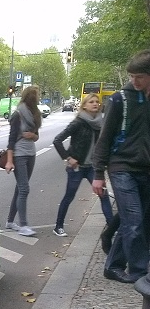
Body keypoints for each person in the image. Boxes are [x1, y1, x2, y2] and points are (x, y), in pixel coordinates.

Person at [92, 49, 150, 283]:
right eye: (131, 76)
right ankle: (140, 274)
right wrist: (98, 174)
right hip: (121, 167)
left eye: (140, 77)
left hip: (145, 169)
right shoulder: (119, 100)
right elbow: (104, 138)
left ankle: (113, 266)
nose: (134, 81)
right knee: (134, 220)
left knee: (138, 221)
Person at [51, 93, 114, 237]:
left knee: (103, 195)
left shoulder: (101, 122)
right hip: (77, 167)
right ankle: (58, 226)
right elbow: (57, 140)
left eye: (97, 101)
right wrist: (68, 158)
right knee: (69, 196)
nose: (95, 104)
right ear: (84, 105)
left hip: (93, 167)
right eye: (91, 102)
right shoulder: (78, 122)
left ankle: (111, 228)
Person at [4, 85, 42, 236]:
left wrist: (33, 136)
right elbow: (11, 140)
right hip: (19, 154)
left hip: (31, 153)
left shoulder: (35, 114)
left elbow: (37, 136)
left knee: (20, 189)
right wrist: (9, 160)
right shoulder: (18, 114)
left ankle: (10, 221)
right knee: (24, 189)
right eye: (35, 95)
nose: (37, 97)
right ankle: (23, 225)